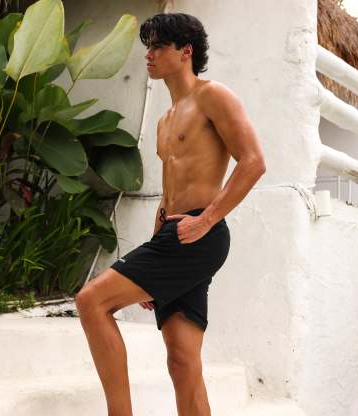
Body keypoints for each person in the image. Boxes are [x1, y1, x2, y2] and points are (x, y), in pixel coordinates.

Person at [75, 12, 266, 416]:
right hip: (171, 238)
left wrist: (206, 220)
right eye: (148, 46)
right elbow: (168, 195)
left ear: (185, 52)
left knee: (91, 301)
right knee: (182, 360)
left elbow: (253, 162)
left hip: (199, 234)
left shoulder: (213, 97)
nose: (149, 54)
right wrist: (151, 267)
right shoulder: (165, 121)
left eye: (159, 46)